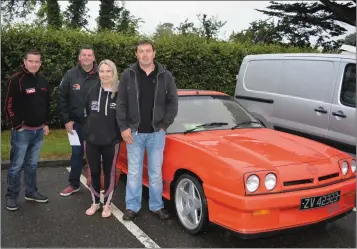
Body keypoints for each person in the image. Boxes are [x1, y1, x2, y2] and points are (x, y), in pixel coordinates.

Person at [116, 40, 178, 221]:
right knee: (134, 172)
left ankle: (156, 206)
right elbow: (121, 104)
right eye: (141, 51)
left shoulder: (165, 75)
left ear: (154, 53)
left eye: (148, 51)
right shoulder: (128, 74)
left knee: (155, 173)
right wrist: (124, 127)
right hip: (133, 133)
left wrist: (164, 124)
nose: (144, 54)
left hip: (156, 134)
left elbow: (173, 102)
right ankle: (132, 207)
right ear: (136, 54)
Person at [3, 49, 51, 211]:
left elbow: (46, 104)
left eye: (37, 61)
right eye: (31, 61)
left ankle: (31, 192)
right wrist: (18, 126)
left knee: (32, 164)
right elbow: (8, 106)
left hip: (38, 131)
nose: (34, 64)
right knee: (16, 166)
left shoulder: (43, 81)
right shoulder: (16, 80)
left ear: (40, 63)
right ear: (25, 61)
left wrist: (45, 123)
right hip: (22, 132)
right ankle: (11, 195)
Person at [57, 45, 99, 197]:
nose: (86, 57)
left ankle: (95, 184)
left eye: (89, 55)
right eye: (83, 55)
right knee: (76, 153)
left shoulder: (102, 73)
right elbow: (61, 98)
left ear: (94, 58)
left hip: (96, 125)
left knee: (95, 155)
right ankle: (73, 184)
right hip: (76, 124)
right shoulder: (70, 75)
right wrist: (66, 120)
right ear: (79, 58)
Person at [83, 59, 122, 218]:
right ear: (98, 73)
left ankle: (107, 203)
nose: (105, 74)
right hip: (91, 140)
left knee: (109, 172)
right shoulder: (92, 91)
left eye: (108, 71)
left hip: (111, 142)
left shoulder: (120, 94)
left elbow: (124, 117)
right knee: (93, 171)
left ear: (113, 73)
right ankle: (95, 202)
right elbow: (87, 112)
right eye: (102, 71)